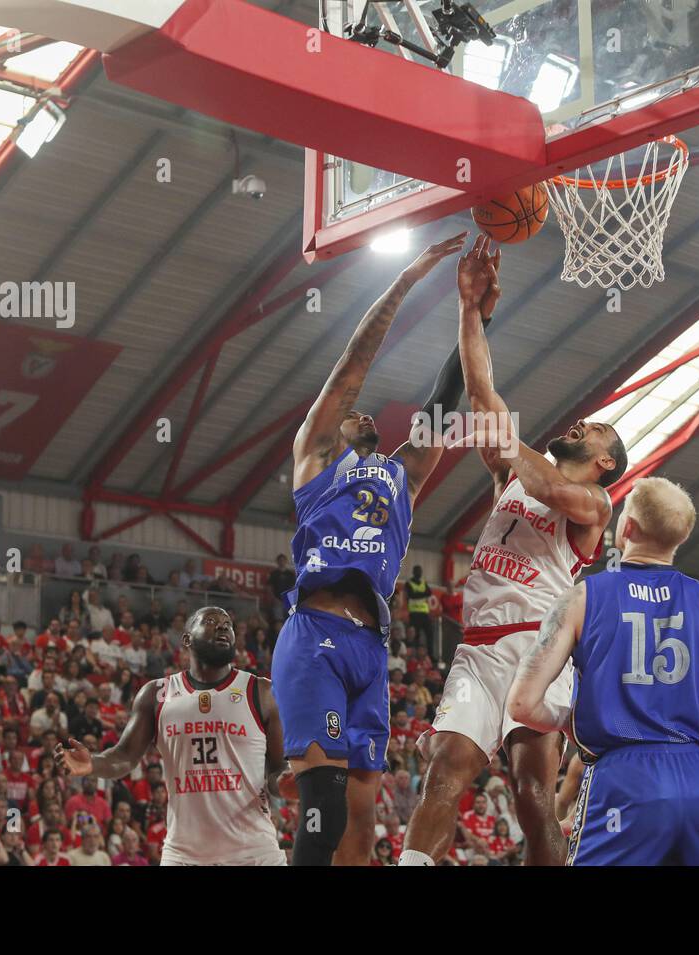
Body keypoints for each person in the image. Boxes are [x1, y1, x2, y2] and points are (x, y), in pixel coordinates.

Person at [401, 237, 628, 866]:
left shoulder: (594, 507)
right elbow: (480, 396)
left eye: (598, 431)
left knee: (533, 794)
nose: (583, 423)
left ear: (605, 463)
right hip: (478, 648)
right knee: (445, 769)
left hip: (537, 650)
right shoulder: (512, 477)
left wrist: (503, 436)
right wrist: (471, 308)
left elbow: (541, 479)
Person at [271, 232, 476, 867]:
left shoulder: (402, 475)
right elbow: (350, 367)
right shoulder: (315, 463)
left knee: (362, 817)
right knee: (325, 805)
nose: (354, 414)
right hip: (317, 635)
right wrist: (408, 282)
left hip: (370, 647)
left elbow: (445, 404)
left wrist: (474, 312)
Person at [505, 477, 699, 865]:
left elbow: (522, 704)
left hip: (624, 777)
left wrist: (572, 722)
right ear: (682, 537)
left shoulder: (581, 597)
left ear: (627, 528)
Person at [55, 606, 286, 865]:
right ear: (186, 639)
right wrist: (93, 763)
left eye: (228, 624)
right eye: (211, 621)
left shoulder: (261, 692)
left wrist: (293, 783)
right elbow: (124, 757)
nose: (223, 627)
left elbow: (278, 771)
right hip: (184, 855)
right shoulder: (156, 695)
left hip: (254, 853)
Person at [404, 565, 432, 647]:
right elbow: (411, 595)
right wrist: (423, 594)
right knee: (416, 635)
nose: (419, 573)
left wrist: (416, 594)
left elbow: (429, 593)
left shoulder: (423, 582)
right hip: (414, 613)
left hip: (424, 613)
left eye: (420, 571)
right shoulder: (408, 583)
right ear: (413, 572)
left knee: (429, 634)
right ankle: (415, 653)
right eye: (417, 571)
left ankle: (430, 655)